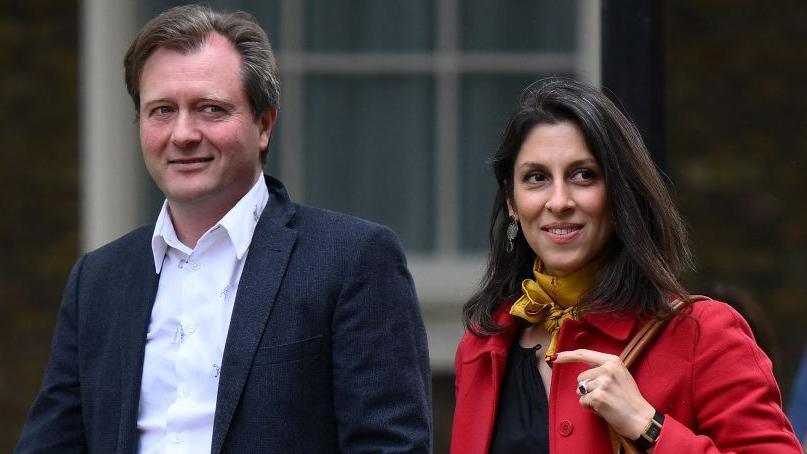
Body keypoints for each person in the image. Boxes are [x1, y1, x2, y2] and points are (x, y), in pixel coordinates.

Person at [16, 5, 431, 453]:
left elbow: (389, 447)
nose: (183, 133)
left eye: (210, 109)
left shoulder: (353, 260)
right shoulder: (98, 279)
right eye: (161, 110)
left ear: (264, 124)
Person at [450, 78, 801, 453]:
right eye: (536, 178)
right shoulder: (482, 346)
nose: (559, 200)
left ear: (619, 193)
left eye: (583, 175)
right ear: (511, 201)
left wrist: (647, 425)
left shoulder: (704, 334)